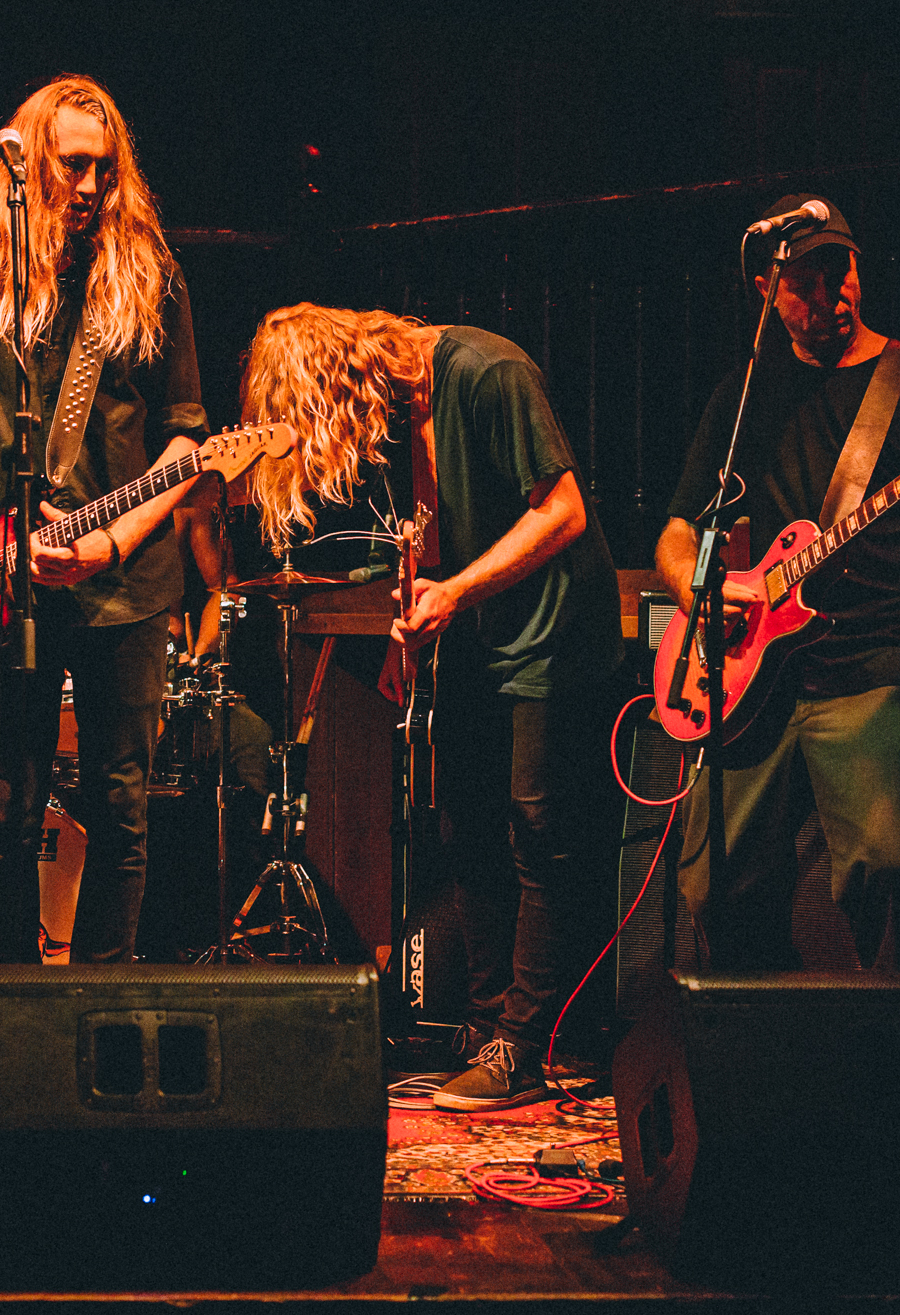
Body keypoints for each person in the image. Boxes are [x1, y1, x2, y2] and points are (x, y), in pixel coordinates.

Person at [240, 304, 623, 1109]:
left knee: (536, 828)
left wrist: (454, 594)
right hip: (480, 632)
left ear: (339, 382)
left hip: (552, 632)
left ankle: (525, 1045)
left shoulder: (489, 372)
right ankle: (487, 1024)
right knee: (464, 823)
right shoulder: (398, 410)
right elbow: (426, 528)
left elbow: (563, 511)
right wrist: (406, 633)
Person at [0, 75, 205, 964]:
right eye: (71, 166)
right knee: (8, 813)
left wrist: (111, 539)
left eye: (104, 168)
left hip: (126, 588)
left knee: (121, 808)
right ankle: (8, 1016)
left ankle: (96, 1011)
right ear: (26, 168)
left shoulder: (149, 286)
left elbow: (186, 441)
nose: (89, 186)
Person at [656, 194, 900, 972]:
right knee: (713, 886)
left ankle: (886, 1039)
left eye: (839, 270)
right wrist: (698, 591)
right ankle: (776, 1037)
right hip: (757, 680)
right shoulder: (745, 395)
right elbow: (678, 531)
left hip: (877, 662)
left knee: (889, 876)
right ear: (766, 290)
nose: (829, 293)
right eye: (806, 281)